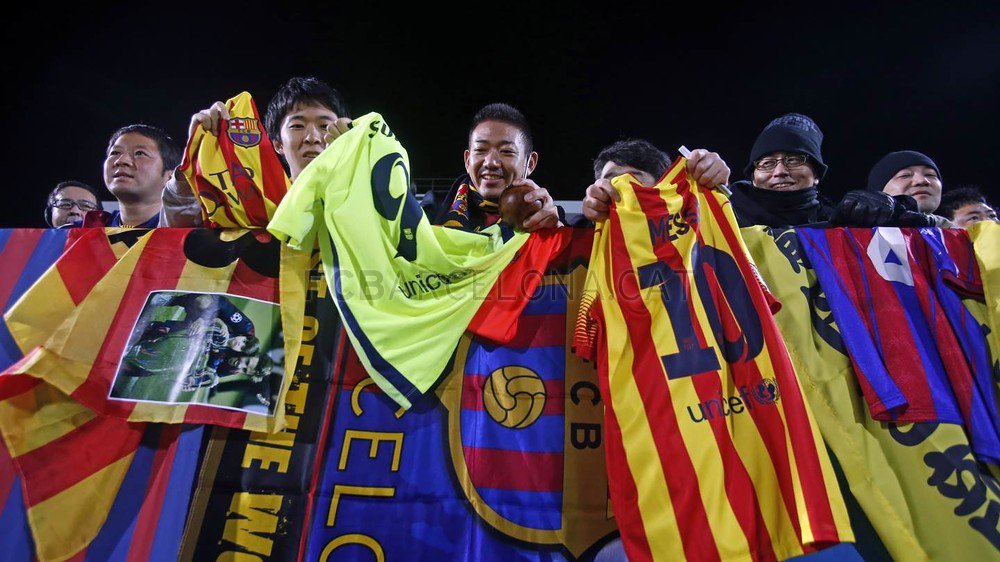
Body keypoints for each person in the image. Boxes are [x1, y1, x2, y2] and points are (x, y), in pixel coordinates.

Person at [162, 76, 350, 226]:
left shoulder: (361, 196)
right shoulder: (250, 203)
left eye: (324, 126)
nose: (312, 137)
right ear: (278, 144)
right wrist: (194, 160)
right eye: (297, 126)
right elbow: (176, 233)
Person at [428, 103, 560, 232]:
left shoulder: (549, 219)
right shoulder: (432, 208)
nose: (491, 162)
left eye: (506, 151)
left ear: (530, 163)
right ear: (467, 161)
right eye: (480, 150)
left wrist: (557, 232)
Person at [581, 138, 730, 223]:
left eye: (634, 176)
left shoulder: (692, 228)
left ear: (661, 185)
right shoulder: (583, 239)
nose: (623, 184)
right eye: (612, 179)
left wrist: (713, 191)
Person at [85, 124, 180, 228]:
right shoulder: (85, 230)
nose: (121, 161)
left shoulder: (185, 232)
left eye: (140, 153)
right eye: (115, 153)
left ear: (170, 177)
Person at [865, 150, 953, 227]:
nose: (922, 181)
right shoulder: (860, 233)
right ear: (879, 193)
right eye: (905, 175)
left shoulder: (956, 234)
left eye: (930, 175)